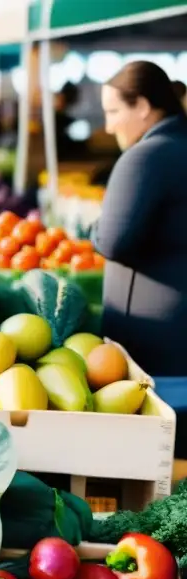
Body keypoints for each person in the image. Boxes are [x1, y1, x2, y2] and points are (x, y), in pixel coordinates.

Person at [92, 60, 187, 377]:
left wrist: (92, 228)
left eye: (114, 112)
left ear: (143, 106)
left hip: (154, 348)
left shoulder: (145, 157)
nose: (108, 126)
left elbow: (113, 241)